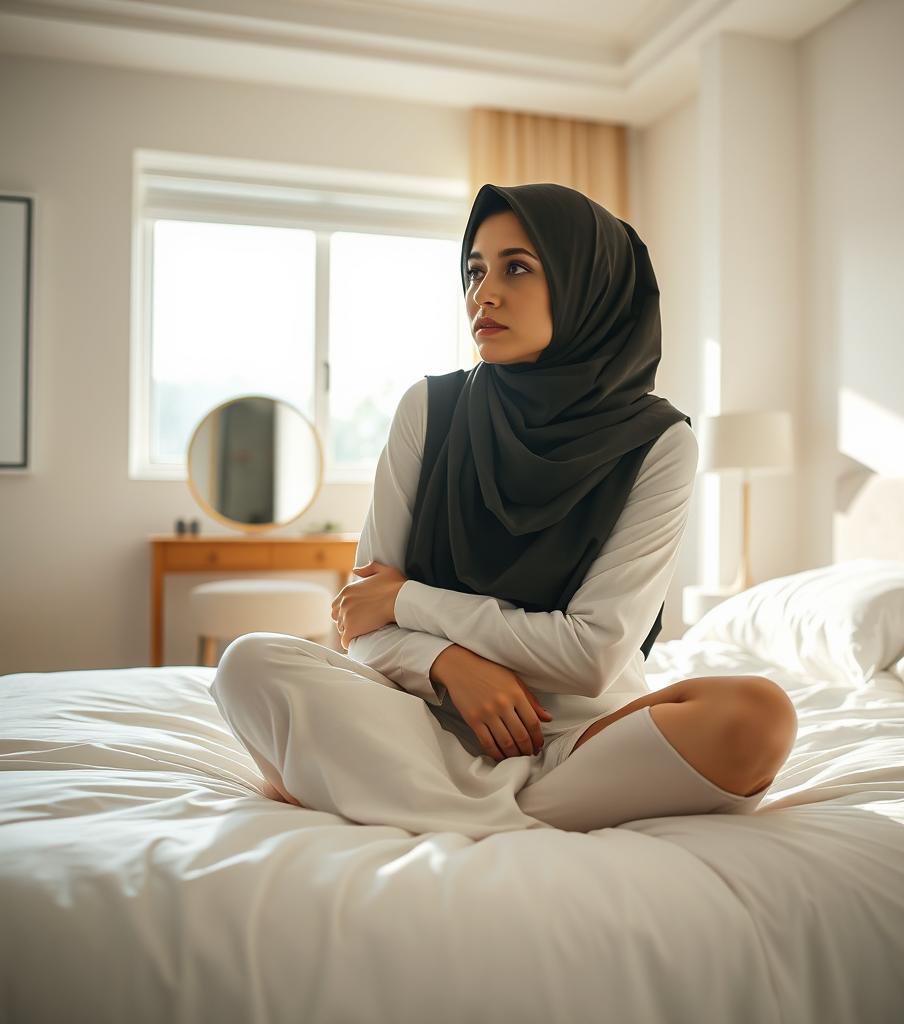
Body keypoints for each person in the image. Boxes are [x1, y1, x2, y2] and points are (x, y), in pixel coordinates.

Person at [211, 183, 797, 836]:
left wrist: (412, 603)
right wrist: (448, 668)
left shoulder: (660, 444)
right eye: (475, 270)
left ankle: (409, 798)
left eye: (516, 267)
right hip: (418, 720)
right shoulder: (429, 411)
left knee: (758, 716)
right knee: (249, 663)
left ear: (585, 285)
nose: (483, 294)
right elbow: (361, 624)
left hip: (580, 734)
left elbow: (591, 656)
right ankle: (514, 813)